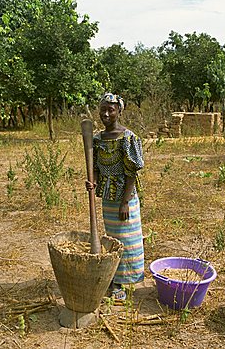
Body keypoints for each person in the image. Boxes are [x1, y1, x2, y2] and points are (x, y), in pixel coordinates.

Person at [85, 92, 144, 300]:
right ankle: (114, 278)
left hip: (124, 197)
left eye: (111, 109)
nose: (106, 113)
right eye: (103, 109)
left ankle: (123, 282)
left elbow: (132, 173)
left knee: (127, 240)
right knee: (112, 239)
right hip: (108, 198)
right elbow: (96, 169)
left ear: (119, 111)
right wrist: (92, 182)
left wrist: (125, 202)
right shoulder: (98, 139)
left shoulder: (128, 137)